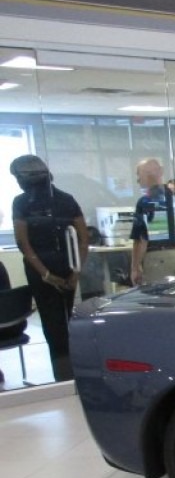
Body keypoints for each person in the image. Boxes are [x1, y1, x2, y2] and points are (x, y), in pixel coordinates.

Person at [9, 154, 89, 382]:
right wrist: (76, 272)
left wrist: (45, 273)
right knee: (65, 319)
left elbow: (23, 242)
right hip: (67, 266)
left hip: (42, 270)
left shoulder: (22, 202)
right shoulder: (65, 199)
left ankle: (62, 376)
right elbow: (84, 239)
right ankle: (72, 373)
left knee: (52, 323)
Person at [130, 158, 175, 285]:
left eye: (138, 175)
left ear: (148, 174)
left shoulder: (146, 202)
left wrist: (135, 268)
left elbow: (141, 240)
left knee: (160, 300)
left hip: (158, 258)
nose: (138, 180)